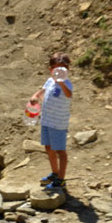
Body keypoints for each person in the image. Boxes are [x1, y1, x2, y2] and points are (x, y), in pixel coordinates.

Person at [29, 53, 73, 190]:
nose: (57, 72)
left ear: (66, 70)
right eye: (55, 69)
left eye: (61, 69)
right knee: (48, 148)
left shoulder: (67, 84)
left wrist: (60, 82)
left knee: (60, 151)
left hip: (58, 123)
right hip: (47, 120)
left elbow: (68, 94)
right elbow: (43, 90)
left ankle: (61, 179)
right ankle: (54, 173)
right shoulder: (49, 81)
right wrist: (36, 96)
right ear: (50, 69)